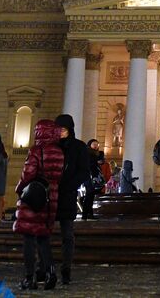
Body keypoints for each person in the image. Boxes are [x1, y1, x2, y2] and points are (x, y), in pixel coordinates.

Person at [12, 117, 63, 291]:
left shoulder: (37, 150)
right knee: (43, 237)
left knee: (28, 238)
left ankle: (29, 278)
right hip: (51, 196)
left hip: (34, 196)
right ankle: (50, 273)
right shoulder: (59, 152)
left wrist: (19, 189)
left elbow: (28, 174)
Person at [53, 114, 92, 285]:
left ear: (70, 129)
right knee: (44, 234)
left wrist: (69, 185)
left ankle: (66, 269)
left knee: (67, 234)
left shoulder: (78, 147)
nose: (60, 132)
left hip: (67, 195)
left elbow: (84, 172)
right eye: (58, 129)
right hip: (50, 195)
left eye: (63, 129)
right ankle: (44, 266)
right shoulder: (50, 146)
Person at [81, 139, 105, 219]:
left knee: (91, 195)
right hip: (89, 177)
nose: (95, 146)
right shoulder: (86, 153)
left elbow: (102, 161)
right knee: (89, 194)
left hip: (95, 176)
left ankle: (88, 214)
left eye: (97, 144)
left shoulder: (99, 153)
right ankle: (85, 214)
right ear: (90, 144)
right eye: (94, 144)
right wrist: (96, 161)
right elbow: (89, 162)